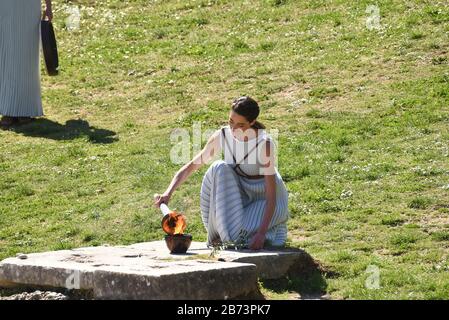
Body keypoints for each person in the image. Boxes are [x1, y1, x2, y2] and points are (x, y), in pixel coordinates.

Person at [154, 97, 289, 250]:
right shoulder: (222, 135)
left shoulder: (265, 144)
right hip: (240, 194)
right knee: (218, 167)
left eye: (241, 125)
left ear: (252, 122)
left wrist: (261, 233)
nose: (234, 129)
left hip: (264, 200)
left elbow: (272, 196)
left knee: (239, 238)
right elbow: (192, 166)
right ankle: (220, 235)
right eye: (231, 121)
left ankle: (255, 233)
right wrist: (168, 192)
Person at [0, 0, 53, 128]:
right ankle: (8, 110)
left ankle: (25, 109)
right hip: (6, 6)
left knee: (27, 55)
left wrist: (49, 6)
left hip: (29, 7)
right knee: (7, 54)